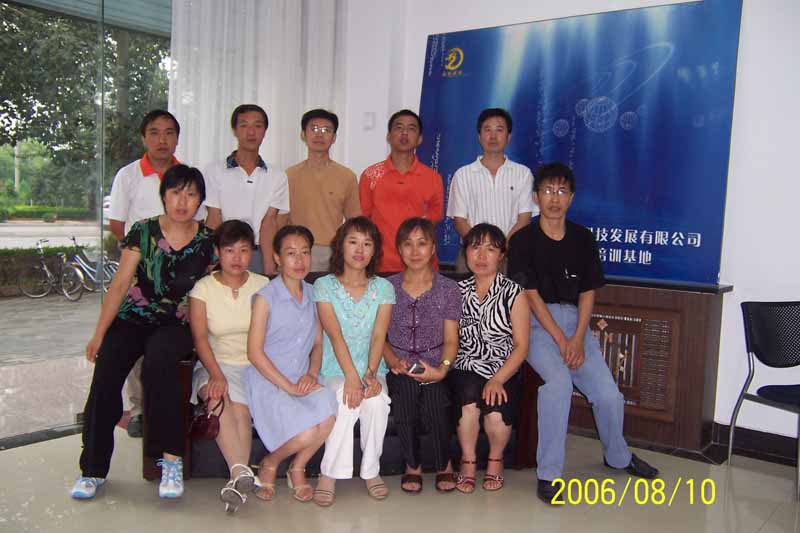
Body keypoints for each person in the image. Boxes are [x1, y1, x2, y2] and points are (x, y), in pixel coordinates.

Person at [507, 162, 659, 505]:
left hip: (576, 324)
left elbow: (589, 291)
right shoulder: (523, 240)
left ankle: (617, 456)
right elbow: (530, 294)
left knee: (608, 395)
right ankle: (549, 474)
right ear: (536, 197)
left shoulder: (582, 238)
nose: (554, 198)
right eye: (548, 191)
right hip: (537, 324)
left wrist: (577, 337)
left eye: (562, 191)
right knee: (558, 384)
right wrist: (561, 341)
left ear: (571, 198)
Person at [71, 164, 215, 500]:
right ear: (164, 195)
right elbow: (120, 283)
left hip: (176, 322)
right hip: (133, 317)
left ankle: (171, 460)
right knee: (106, 377)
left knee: (160, 367)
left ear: (200, 201)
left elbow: (213, 291)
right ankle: (92, 470)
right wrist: (99, 333)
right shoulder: (143, 230)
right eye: (176, 192)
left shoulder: (209, 240)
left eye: (191, 194)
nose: (182, 201)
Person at [107, 109, 189, 438]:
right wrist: (144, 254)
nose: (162, 140)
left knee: (173, 341)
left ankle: (173, 404)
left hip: (180, 273)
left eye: (169, 133)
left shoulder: (187, 175)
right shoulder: (128, 175)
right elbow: (117, 224)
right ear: (144, 138)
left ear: (177, 138)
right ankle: (140, 408)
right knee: (135, 338)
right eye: (154, 132)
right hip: (139, 272)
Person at [245, 225, 337, 503]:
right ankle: (270, 463)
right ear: (277, 258)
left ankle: (297, 467)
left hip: (301, 376)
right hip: (268, 379)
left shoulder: (314, 294)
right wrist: (288, 386)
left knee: (329, 415)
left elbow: (318, 344)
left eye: (305, 253)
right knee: (307, 431)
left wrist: (312, 373)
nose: (299, 260)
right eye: (291, 253)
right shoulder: (265, 297)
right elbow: (254, 353)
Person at [313, 216, 395, 506]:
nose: (360, 250)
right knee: (346, 399)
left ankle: (371, 471)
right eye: (353, 242)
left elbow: (379, 336)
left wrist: (370, 375)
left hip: (371, 365)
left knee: (377, 401)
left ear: (374, 251)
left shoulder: (383, 288)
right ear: (340, 246)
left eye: (367, 244)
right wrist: (351, 377)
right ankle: (329, 474)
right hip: (335, 367)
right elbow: (334, 335)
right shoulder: (323, 286)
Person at [187, 220, 269, 512]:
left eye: (244, 250)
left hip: (252, 365)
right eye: (230, 250)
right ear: (218, 252)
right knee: (216, 398)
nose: (237, 257)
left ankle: (237, 481)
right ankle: (241, 474)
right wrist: (216, 374)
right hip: (215, 362)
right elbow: (199, 338)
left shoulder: (263, 285)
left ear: (252, 253)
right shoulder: (203, 289)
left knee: (241, 411)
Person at [450, 223, 530, 493]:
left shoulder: (514, 293)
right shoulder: (456, 292)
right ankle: (468, 460)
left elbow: (521, 346)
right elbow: (450, 340)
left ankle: (496, 460)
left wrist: (497, 379)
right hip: (466, 365)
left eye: (490, 249)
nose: (481, 256)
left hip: (503, 367)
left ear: (501, 255)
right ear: (465, 253)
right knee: (469, 401)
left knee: (495, 413)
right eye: (475, 248)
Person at [383, 217, 460, 493]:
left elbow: (451, 340)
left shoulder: (448, 289)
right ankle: (412, 466)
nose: (415, 251)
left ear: (433, 248)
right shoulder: (387, 287)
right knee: (404, 397)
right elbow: (378, 337)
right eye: (408, 244)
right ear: (399, 249)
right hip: (399, 365)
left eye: (422, 244)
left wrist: (442, 369)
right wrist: (393, 361)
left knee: (435, 400)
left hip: (436, 364)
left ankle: (444, 464)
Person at [447, 108, 537, 272]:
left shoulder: (523, 174)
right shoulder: (463, 174)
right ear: (479, 137)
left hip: (510, 256)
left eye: (499, 130)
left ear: (508, 137)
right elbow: (459, 221)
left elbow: (524, 219)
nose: (493, 136)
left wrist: (500, 250)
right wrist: (480, 250)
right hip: (472, 257)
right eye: (487, 130)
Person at [204, 104, 289, 275]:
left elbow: (269, 223)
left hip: (257, 252)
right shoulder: (214, 170)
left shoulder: (277, 175)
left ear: (265, 131)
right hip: (225, 251)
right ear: (235, 130)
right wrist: (213, 261)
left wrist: (269, 269)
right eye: (244, 125)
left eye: (257, 126)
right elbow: (214, 218)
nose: (251, 132)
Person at [359, 109, 444, 273]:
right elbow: (364, 220)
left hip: (420, 264)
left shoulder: (433, 178)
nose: (404, 133)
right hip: (380, 264)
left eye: (411, 128)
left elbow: (433, 221)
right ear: (388, 136)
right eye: (399, 127)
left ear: (419, 139)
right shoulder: (371, 175)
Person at [286, 109, 361, 271]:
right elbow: (281, 221)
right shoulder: (289, 175)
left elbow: (354, 222)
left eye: (326, 130)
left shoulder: (346, 176)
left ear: (334, 138)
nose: (319, 135)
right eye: (314, 128)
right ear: (303, 135)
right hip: (296, 249)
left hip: (332, 251)